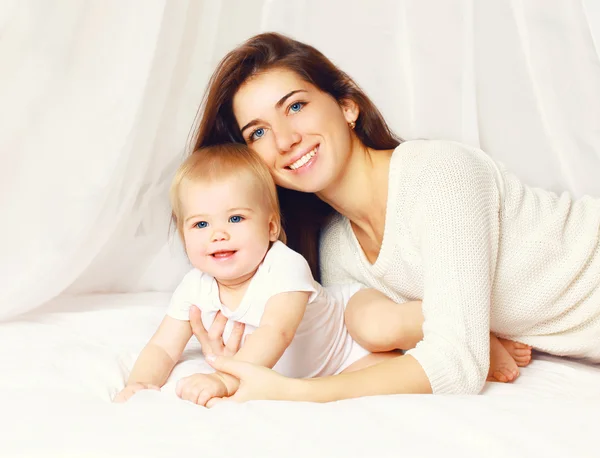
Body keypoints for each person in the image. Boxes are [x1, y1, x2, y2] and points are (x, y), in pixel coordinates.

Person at [184, 32, 600, 402]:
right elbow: (379, 345)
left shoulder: (439, 173)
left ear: (347, 106)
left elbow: (457, 364)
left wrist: (294, 394)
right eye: (258, 132)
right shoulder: (334, 251)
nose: (286, 140)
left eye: (295, 107)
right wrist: (239, 355)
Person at [114, 144, 396, 405]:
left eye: (235, 218)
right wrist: (140, 382)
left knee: (378, 328)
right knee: (377, 383)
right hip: (333, 367)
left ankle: (428, 314)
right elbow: (163, 346)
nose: (218, 234)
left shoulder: (284, 266)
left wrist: (224, 379)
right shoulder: (194, 288)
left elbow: (277, 332)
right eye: (201, 224)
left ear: (271, 227)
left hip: (348, 326)